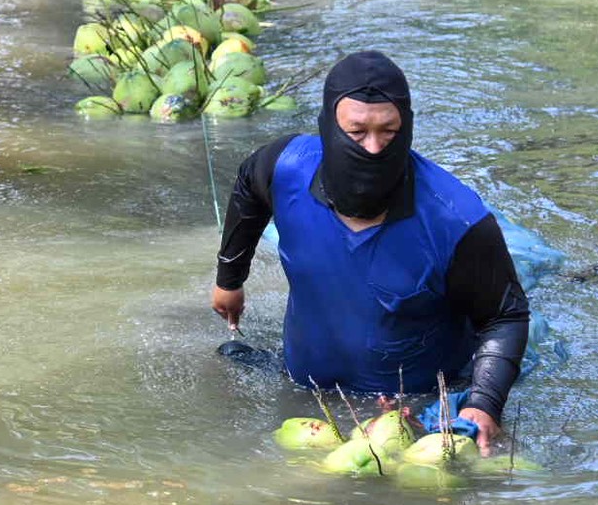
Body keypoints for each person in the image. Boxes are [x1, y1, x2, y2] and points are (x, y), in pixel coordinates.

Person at [209, 50, 531, 455]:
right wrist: (229, 280)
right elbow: (246, 189)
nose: (374, 148)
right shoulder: (285, 166)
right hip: (302, 389)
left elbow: (506, 316)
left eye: (389, 131)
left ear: (408, 127)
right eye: (357, 133)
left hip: (414, 406)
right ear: (328, 127)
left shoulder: (456, 220)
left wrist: (484, 405)